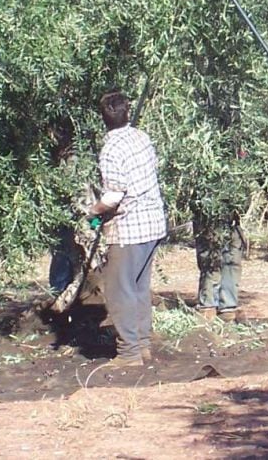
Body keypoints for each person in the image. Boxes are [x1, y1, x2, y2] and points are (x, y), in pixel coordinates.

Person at [87, 91, 167, 367]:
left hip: (129, 228)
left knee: (119, 290)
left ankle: (129, 353)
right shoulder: (141, 138)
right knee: (139, 287)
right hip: (154, 223)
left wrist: (92, 211)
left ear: (103, 118)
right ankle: (142, 344)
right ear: (127, 113)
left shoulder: (111, 149)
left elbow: (113, 196)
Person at [192, 208, 244, 321]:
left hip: (232, 219)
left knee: (231, 262)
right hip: (207, 216)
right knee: (210, 262)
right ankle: (207, 311)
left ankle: (227, 311)